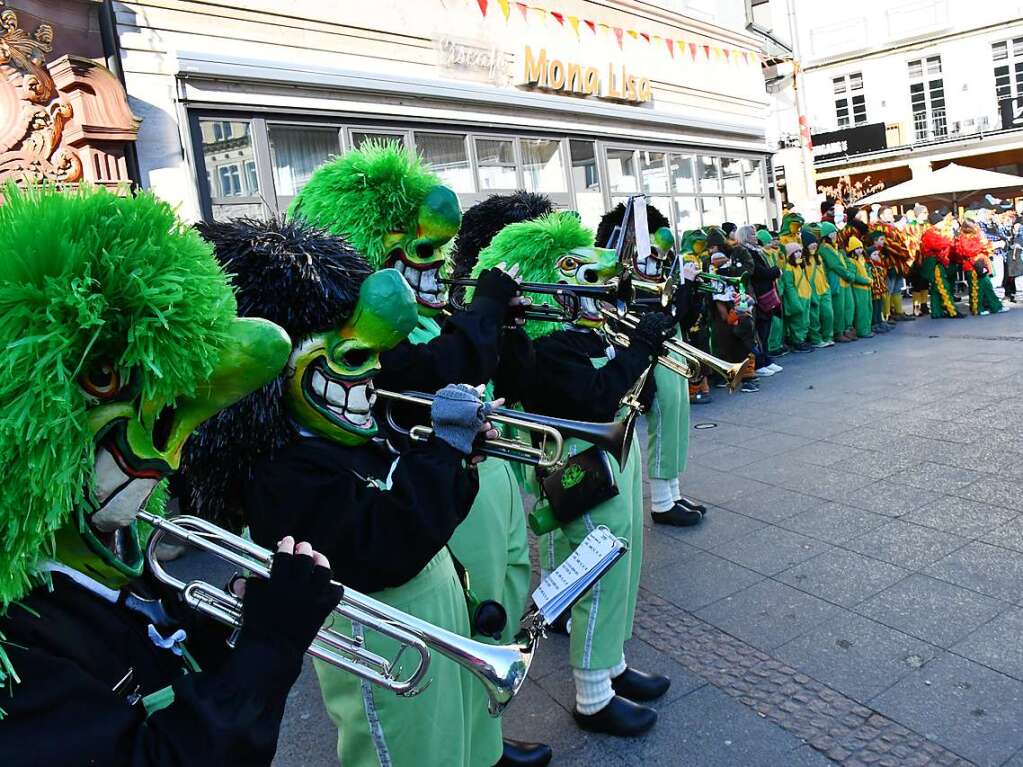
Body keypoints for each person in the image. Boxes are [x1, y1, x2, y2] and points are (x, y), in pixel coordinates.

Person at [0, 185, 340, 767]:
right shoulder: (15, 640)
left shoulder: (98, 552)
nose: (170, 457)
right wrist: (271, 646)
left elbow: (152, 659)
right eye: (106, 380)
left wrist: (220, 623)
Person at [184, 217, 502, 767]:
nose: (374, 374)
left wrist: (456, 461)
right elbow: (385, 543)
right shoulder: (280, 473)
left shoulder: (332, 430)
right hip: (383, 654)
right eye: (353, 358)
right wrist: (446, 454)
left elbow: (397, 495)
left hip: (422, 628)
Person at [289, 144, 547, 767]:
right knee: (461, 623)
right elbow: (439, 370)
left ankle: (482, 741)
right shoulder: (361, 335)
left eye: (441, 251)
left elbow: (488, 366)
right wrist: (483, 312)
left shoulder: (430, 314)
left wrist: (497, 322)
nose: (438, 266)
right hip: (422, 489)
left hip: (474, 472)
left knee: (494, 595)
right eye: (422, 250)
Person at [482, 212, 674, 737]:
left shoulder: (594, 336)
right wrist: (639, 350)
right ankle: (592, 694)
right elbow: (592, 398)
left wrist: (646, 340)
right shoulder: (550, 347)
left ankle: (611, 664)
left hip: (617, 452)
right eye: (600, 288)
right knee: (600, 574)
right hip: (579, 464)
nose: (612, 297)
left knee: (626, 565)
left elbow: (633, 392)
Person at [596, 203, 704, 527]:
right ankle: (661, 500)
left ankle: (672, 490)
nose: (655, 258)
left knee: (678, 415)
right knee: (665, 412)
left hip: (670, 338)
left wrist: (687, 286)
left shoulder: (657, 263)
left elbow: (678, 310)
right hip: (646, 341)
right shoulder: (620, 270)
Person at [737, 225, 784, 378]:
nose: (755, 236)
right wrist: (775, 272)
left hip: (765, 293)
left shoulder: (756, 250)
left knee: (765, 329)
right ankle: (759, 363)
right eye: (751, 234)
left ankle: (765, 359)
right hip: (756, 295)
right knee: (758, 331)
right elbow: (757, 272)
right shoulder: (746, 252)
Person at [817, 220, 855, 342]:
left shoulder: (836, 247)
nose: (835, 235)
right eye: (832, 233)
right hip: (837, 282)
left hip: (844, 281)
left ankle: (845, 330)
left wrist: (849, 273)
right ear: (826, 235)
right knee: (838, 308)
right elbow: (834, 265)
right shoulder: (824, 248)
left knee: (847, 307)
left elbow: (845, 261)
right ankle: (838, 332)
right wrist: (848, 275)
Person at [957, 221, 1006, 316]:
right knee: (976, 289)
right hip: (972, 266)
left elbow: (985, 245)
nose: (976, 226)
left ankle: (996, 306)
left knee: (988, 287)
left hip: (981, 264)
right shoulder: (963, 238)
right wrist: (982, 246)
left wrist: (987, 245)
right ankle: (977, 309)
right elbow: (967, 251)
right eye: (974, 225)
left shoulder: (977, 236)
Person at [803, 224, 835, 349]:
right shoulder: (803, 259)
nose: (814, 245)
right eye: (811, 243)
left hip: (824, 289)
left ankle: (828, 336)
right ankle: (816, 339)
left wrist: (827, 287)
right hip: (812, 291)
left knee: (828, 314)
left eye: (815, 243)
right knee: (814, 318)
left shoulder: (818, 257)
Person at [920, 227, 960, 319]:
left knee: (935, 289)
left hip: (937, 261)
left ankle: (936, 312)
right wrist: (948, 240)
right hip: (934, 263)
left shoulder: (935, 232)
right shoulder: (929, 233)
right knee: (943, 286)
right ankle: (952, 311)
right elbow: (937, 245)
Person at [779, 242, 811, 350]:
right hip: (798, 297)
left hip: (805, 296)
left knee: (805, 321)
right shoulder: (788, 268)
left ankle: (801, 340)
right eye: (795, 252)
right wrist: (794, 301)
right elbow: (789, 286)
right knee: (798, 322)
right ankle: (798, 342)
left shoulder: (799, 265)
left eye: (799, 251)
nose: (798, 254)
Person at [846, 236, 875, 338]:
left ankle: (867, 329)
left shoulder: (862, 259)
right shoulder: (850, 261)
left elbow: (868, 270)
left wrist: (870, 279)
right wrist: (866, 280)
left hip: (867, 288)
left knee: (868, 308)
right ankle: (862, 332)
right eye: (857, 248)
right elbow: (853, 276)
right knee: (861, 311)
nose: (859, 250)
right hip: (858, 289)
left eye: (860, 248)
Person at [1004, 219, 1023, 302]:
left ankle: (1019, 295)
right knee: (1018, 276)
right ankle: (1019, 295)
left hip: (1018, 256)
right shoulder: (1011, 235)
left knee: (1019, 276)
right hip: (1015, 257)